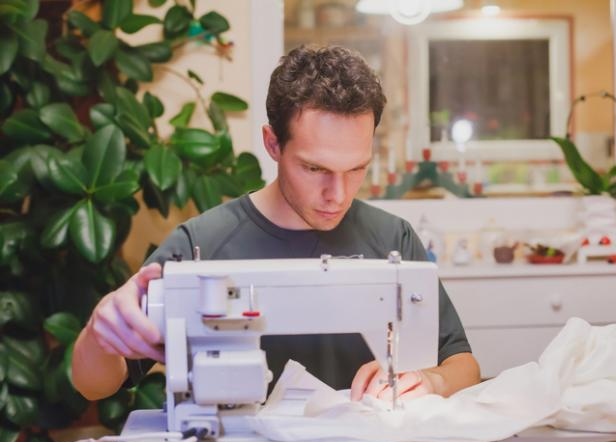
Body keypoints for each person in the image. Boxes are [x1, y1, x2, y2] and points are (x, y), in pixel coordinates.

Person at [72, 45, 480, 404]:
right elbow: (94, 386)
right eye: (314, 168)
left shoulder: (393, 237)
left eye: (356, 169)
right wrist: (100, 331)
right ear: (272, 144)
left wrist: (432, 380)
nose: (337, 194)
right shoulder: (202, 245)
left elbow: (462, 363)